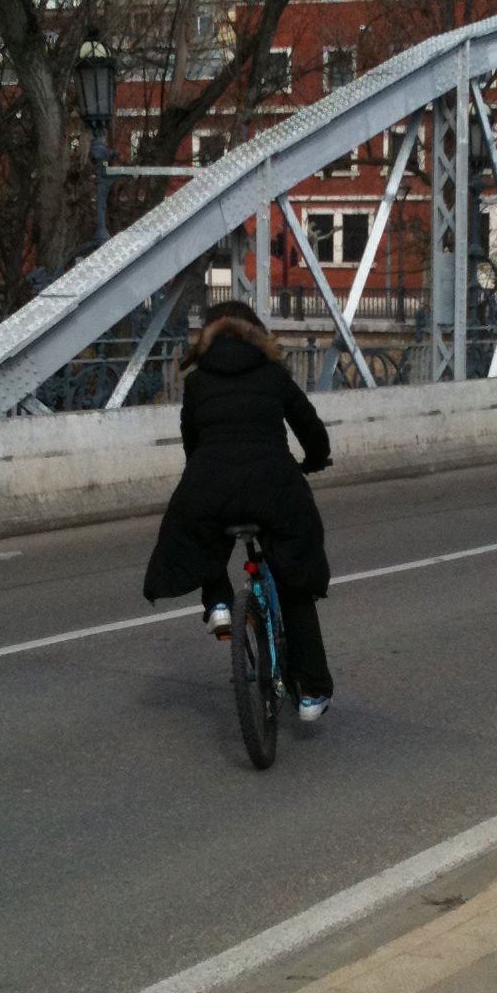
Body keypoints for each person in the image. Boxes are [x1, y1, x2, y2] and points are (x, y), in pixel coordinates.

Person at [143, 300, 335, 720]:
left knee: (202, 532)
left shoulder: (197, 383)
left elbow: (191, 443)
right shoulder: (274, 375)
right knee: (294, 579)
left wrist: (204, 474)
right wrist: (316, 459)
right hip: (274, 486)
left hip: (210, 481)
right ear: (257, 335)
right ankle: (312, 691)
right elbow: (311, 429)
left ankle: (219, 605)